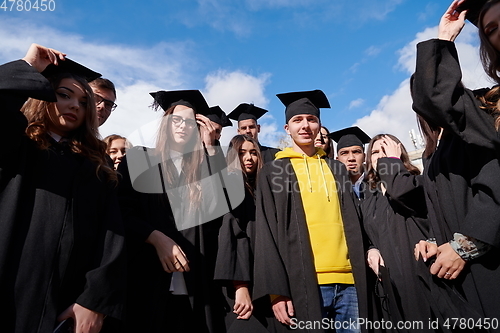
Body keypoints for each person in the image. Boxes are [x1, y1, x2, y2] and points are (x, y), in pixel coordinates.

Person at [0, 43, 126, 333]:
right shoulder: (17, 145)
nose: (74, 106)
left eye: (84, 102)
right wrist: (29, 66)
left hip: (66, 307)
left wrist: (94, 301)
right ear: (43, 96)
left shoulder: (96, 167)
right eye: (63, 95)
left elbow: (111, 237)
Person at [411, 0, 500, 324]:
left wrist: (466, 243)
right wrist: (445, 39)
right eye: (490, 29)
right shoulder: (492, 109)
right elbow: (435, 97)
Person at [253, 90, 370, 333]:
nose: (305, 125)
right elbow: (266, 233)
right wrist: (276, 292)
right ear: (287, 128)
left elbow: (357, 220)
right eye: (298, 120)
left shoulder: (337, 169)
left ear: (319, 125)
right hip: (303, 283)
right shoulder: (274, 172)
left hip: (350, 282)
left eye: (311, 119)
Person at [117, 89, 228, 333]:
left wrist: (210, 149)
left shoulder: (201, 168)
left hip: (195, 282)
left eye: (190, 122)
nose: (183, 126)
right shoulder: (139, 159)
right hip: (146, 278)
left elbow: (222, 210)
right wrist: (155, 237)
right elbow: (121, 211)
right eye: (176, 120)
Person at [361, 134, 434, 330]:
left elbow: (401, 193)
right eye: (375, 152)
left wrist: (391, 163)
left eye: (387, 149)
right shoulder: (369, 199)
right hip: (391, 285)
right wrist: (372, 249)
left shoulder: (417, 183)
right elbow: (370, 234)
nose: (380, 156)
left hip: (421, 278)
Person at [214, 135, 270, 332]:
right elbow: (232, 235)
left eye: (254, 153)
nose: (249, 158)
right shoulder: (230, 187)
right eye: (242, 153)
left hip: (260, 275)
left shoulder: (260, 189)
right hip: (238, 278)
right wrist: (240, 285)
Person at [329, 126, 371, 200]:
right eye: (344, 153)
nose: (351, 158)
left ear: (364, 157)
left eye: (356, 152)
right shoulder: (331, 188)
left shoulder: (377, 185)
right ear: (337, 160)